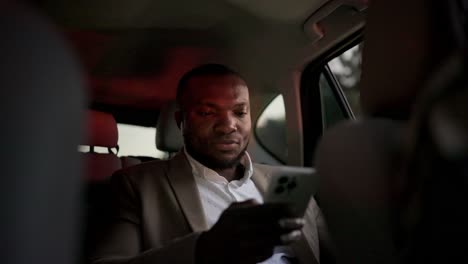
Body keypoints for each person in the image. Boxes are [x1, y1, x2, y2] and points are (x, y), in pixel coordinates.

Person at [90, 64, 326, 264]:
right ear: (181, 121)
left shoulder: (287, 181)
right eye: (207, 113)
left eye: (240, 111)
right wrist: (203, 249)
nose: (228, 125)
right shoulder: (137, 184)